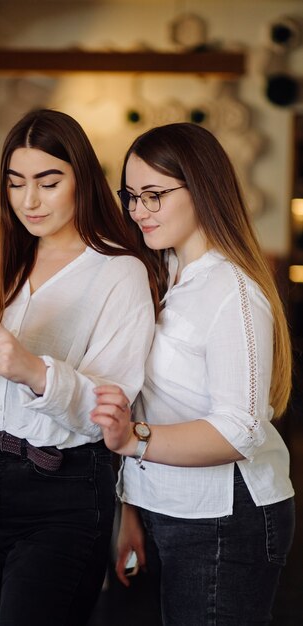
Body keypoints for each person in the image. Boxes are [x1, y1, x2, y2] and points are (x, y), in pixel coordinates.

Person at [0, 109, 158, 626]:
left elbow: (106, 414)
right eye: (16, 182)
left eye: (48, 181)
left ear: (81, 180)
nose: (30, 200)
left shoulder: (119, 272)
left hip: (59, 490)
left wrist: (31, 369)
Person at [91, 122, 295, 625]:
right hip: (163, 505)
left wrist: (132, 439)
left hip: (226, 518)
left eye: (154, 195)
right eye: (132, 195)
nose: (138, 210)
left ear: (201, 187)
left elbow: (239, 429)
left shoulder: (232, 289)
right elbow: (148, 400)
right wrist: (131, 512)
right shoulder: (162, 274)